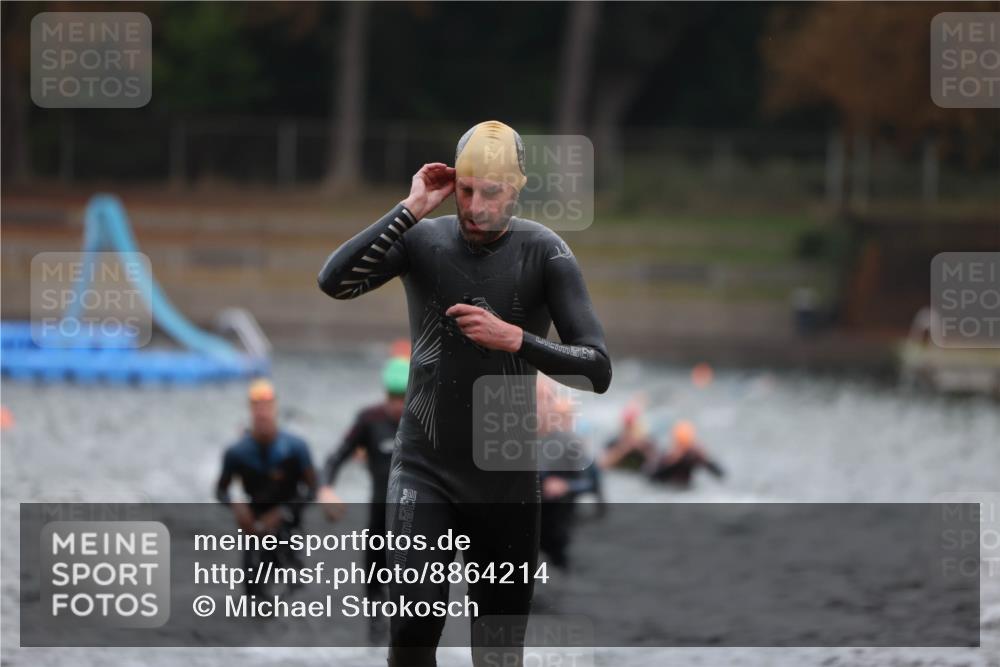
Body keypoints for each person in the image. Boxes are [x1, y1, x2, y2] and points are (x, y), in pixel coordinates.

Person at [318, 120, 612, 666]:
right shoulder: (424, 240)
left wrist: (515, 339)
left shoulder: (545, 253)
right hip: (425, 467)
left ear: (517, 190)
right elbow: (333, 282)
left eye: (491, 193)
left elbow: (597, 368)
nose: (475, 207)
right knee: (412, 624)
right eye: (467, 191)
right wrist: (410, 208)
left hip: (506, 482)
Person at [317, 356, 409, 643]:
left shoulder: (426, 421)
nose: (398, 404)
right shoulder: (370, 420)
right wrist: (325, 489)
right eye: (393, 397)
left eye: (403, 397)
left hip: (418, 520)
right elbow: (334, 458)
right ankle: (375, 641)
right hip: (379, 516)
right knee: (374, 584)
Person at [215, 378, 317, 595]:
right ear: (250, 410)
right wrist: (236, 505)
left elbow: (313, 489)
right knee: (252, 594)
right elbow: (220, 491)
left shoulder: (296, 448)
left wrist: (284, 511)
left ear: (275, 408)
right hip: (255, 523)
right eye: (256, 407)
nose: (262, 412)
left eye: (267, 406)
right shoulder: (237, 452)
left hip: (288, 523)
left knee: (295, 592)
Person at [646, 420, 724, 488]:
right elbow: (651, 477)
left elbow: (720, 474)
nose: (683, 448)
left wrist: (705, 458)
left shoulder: (692, 456)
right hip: (668, 489)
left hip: (686, 489)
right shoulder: (667, 455)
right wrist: (671, 462)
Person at [600, 398, 656, 471]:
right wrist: (624, 449)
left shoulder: (647, 443)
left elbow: (655, 467)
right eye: (627, 426)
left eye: (631, 427)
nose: (629, 431)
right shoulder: (614, 441)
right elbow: (603, 464)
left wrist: (641, 448)